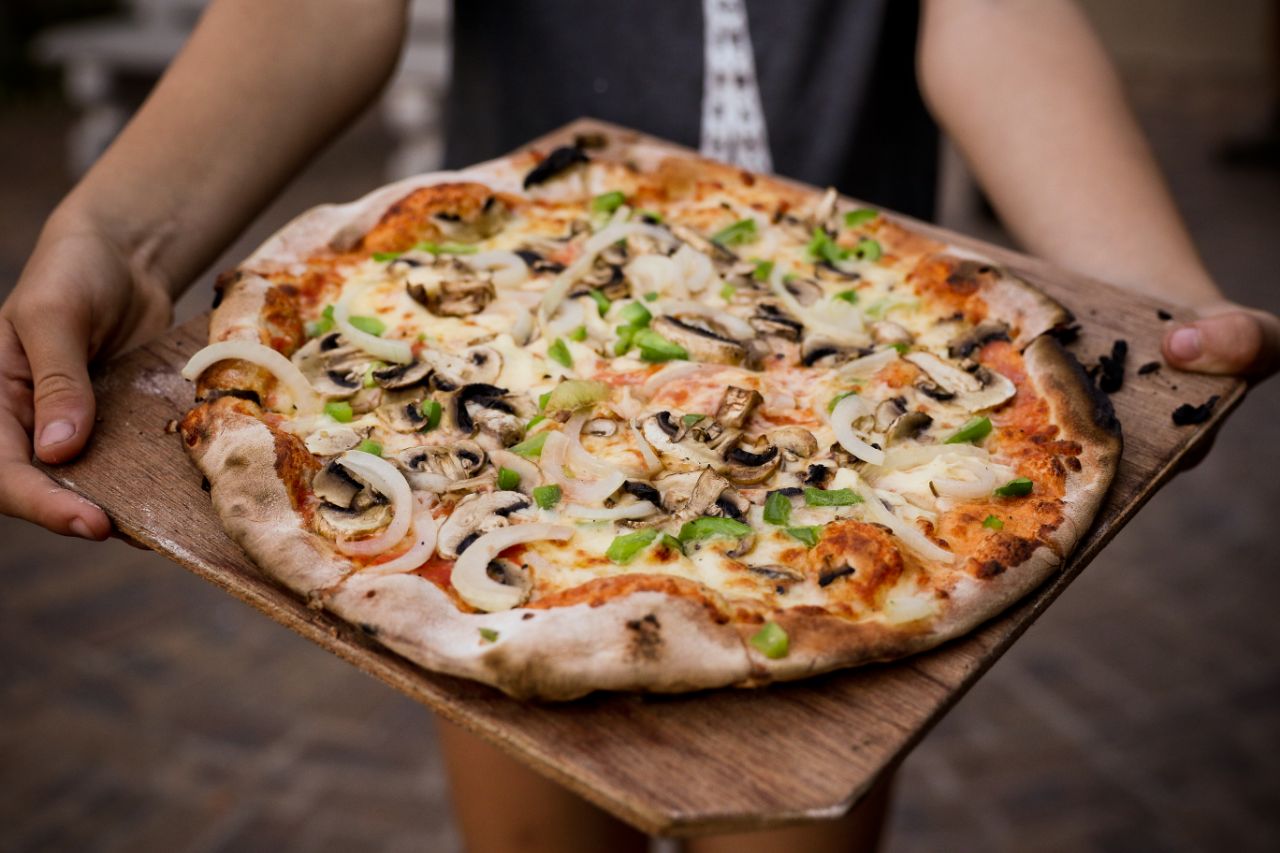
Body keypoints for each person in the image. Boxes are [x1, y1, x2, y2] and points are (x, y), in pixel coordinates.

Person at [3, 1, 1276, 851]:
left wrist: (1157, 317)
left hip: (868, 419)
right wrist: (116, 234)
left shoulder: (940, 495)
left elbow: (992, 15)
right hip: (487, 385)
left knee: (798, 824)